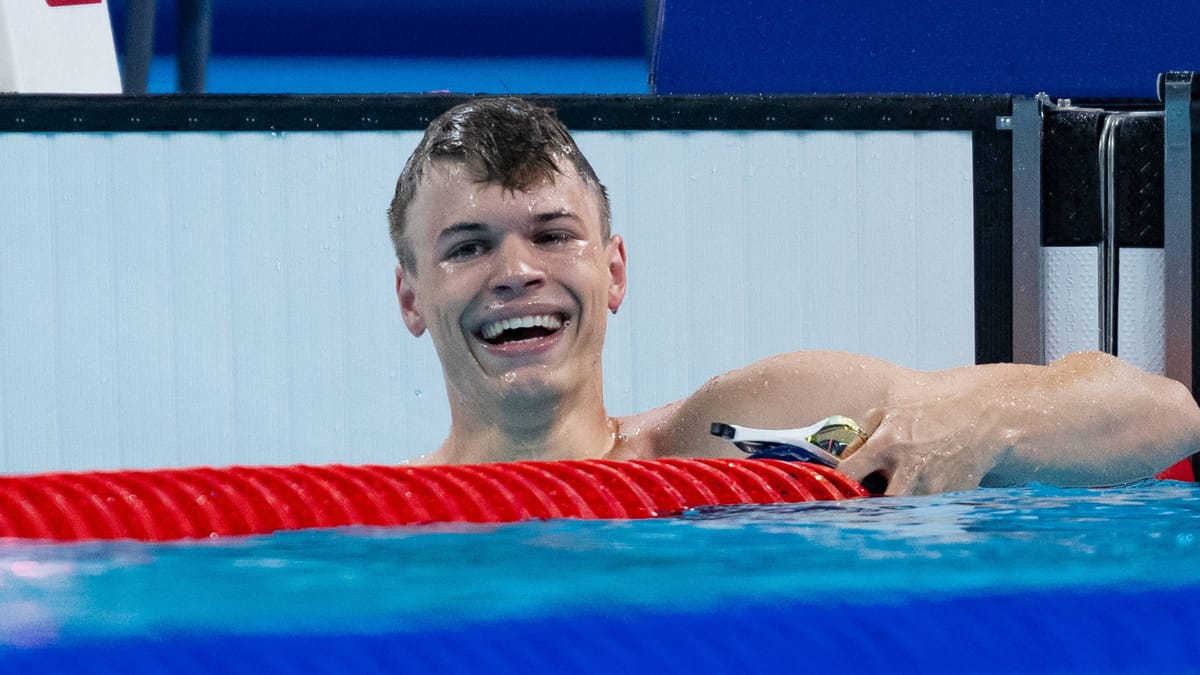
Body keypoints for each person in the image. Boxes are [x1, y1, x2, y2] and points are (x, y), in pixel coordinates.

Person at [387, 97, 1200, 495]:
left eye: (553, 234)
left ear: (615, 270)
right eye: (469, 246)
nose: (516, 270)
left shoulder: (736, 433)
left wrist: (972, 419)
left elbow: (1162, 414)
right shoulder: (373, 520)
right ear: (411, 298)